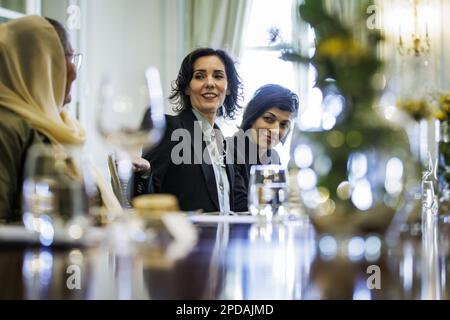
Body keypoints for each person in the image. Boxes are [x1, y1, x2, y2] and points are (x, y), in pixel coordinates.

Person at [0, 16, 122, 223]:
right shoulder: (6, 126)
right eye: (64, 58)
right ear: (29, 65)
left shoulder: (62, 126)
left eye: (74, 58)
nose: (74, 72)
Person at [134, 48, 247, 213]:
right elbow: (147, 199)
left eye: (218, 76)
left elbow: (238, 205)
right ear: (187, 87)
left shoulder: (224, 142)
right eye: (200, 76)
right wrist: (144, 174)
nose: (209, 83)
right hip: (185, 237)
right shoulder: (169, 128)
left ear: (228, 87)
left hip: (224, 238)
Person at [229, 84, 299, 192]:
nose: (275, 130)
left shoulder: (274, 158)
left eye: (283, 125)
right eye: (269, 119)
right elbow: (240, 204)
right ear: (252, 117)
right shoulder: (229, 148)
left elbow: (278, 200)